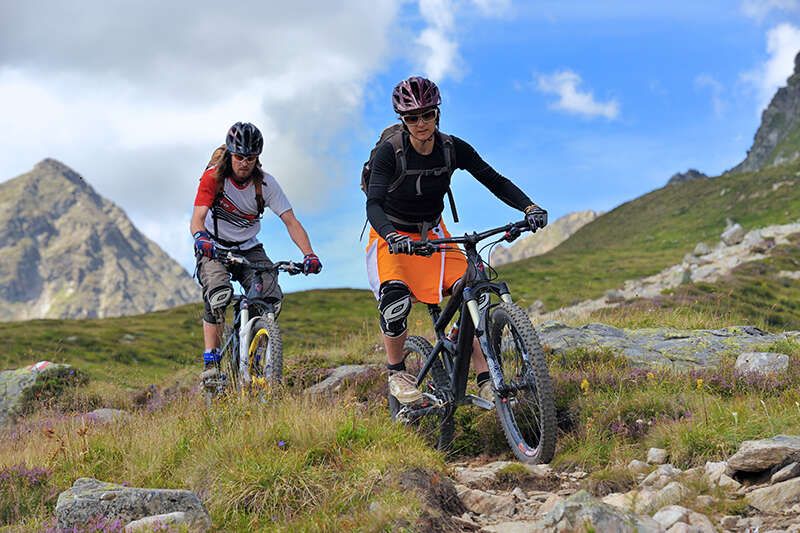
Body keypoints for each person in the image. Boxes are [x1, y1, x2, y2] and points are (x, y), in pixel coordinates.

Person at [365, 76, 548, 405]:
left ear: (438, 114)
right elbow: (374, 203)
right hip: (390, 234)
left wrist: (529, 206)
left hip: (433, 233)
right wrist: (391, 236)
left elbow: (494, 180)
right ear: (402, 120)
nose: (421, 123)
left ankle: (483, 377)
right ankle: (397, 372)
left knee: (473, 290)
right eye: (412, 117)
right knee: (395, 301)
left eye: (427, 114)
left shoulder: (452, 148)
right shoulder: (388, 153)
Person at [191, 121, 322, 379]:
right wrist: (200, 238)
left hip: (249, 248)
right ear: (230, 154)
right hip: (214, 246)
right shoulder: (213, 178)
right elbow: (197, 218)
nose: (244, 163)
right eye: (239, 156)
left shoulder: (266, 184)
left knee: (270, 296)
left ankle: (255, 345)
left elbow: (291, 221)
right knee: (218, 295)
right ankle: (211, 361)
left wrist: (309, 254)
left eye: (250, 158)